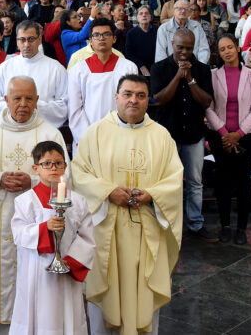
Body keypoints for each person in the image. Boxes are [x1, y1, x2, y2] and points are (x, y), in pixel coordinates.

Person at [72, 74, 183, 335]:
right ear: (116, 97)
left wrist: (152, 194)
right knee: (106, 295)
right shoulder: (96, 132)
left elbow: (174, 178)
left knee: (144, 295)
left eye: (141, 95)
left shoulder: (161, 136)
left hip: (147, 228)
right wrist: (108, 191)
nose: (133, 100)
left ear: (148, 100)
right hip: (107, 228)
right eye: (128, 94)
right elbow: (79, 173)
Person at [0, 76, 69, 332]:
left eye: (29, 98)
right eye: (17, 98)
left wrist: (34, 180)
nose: (23, 104)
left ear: (37, 100)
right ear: (6, 100)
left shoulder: (50, 134)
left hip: (38, 223)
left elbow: (66, 176)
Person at [7, 140, 93, 335]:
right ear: (36, 168)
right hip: (35, 273)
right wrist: (44, 229)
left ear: (65, 166)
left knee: (67, 317)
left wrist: (69, 263)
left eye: (58, 163)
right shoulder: (25, 201)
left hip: (66, 276)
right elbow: (19, 233)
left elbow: (87, 238)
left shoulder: (78, 201)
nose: (53, 167)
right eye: (47, 163)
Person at [149, 28, 214, 241]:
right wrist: (178, 76)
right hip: (168, 135)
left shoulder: (203, 70)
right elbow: (159, 99)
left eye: (189, 48)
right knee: (168, 182)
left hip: (194, 134)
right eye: (180, 47)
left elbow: (206, 102)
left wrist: (191, 80)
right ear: (171, 44)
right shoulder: (159, 68)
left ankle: (195, 224)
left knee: (195, 182)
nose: (185, 52)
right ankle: (168, 225)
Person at [205, 34, 251, 245]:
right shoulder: (213, 75)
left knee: (244, 181)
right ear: (218, 53)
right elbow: (208, 108)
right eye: (222, 49)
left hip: (246, 136)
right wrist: (224, 133)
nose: (227, 51)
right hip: (220, 136)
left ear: (238, 48)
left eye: (230, 47)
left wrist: (238, 134)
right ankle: (226, 225)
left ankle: (241, 228)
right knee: (223, 181)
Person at [68, 18, 139, 148]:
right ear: (90, 40)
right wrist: (88, 137)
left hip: (120, 136)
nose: (101, 38)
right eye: (96, 35)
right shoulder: (78, 70)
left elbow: (132, 103)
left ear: (114, 38)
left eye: (106, 34)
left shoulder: (128, 68)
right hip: (88, 138)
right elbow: (75, 110)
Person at [0, 20, 69, 128]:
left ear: (40, 39)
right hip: (11, 130)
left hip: (43, 131)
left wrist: (35, 106)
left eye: (31, 39)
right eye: (22, 40)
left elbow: (64, 104)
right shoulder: (5, 68)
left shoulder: (56, 68)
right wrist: (15, 107)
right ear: (17, 41)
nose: (26, 44)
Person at [154, 0, 210, 64]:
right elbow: (160, 54)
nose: (183, 11)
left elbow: (204, 49)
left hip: (194, 67)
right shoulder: (163, 29)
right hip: (171, 69)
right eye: (180, 8)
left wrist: (199, 66)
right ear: (174, 11)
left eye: (186, 9)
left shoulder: (197, 26)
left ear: (189, 12)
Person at [124, 5, 157, 77]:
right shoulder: (131, 33)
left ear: (150, 17)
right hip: (137, 68)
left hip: (155, 67)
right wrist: (141, 66)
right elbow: (128, 53)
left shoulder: (157, 31)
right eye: (141, 13)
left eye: (146, 13)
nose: (144, 15)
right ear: (137, 18)